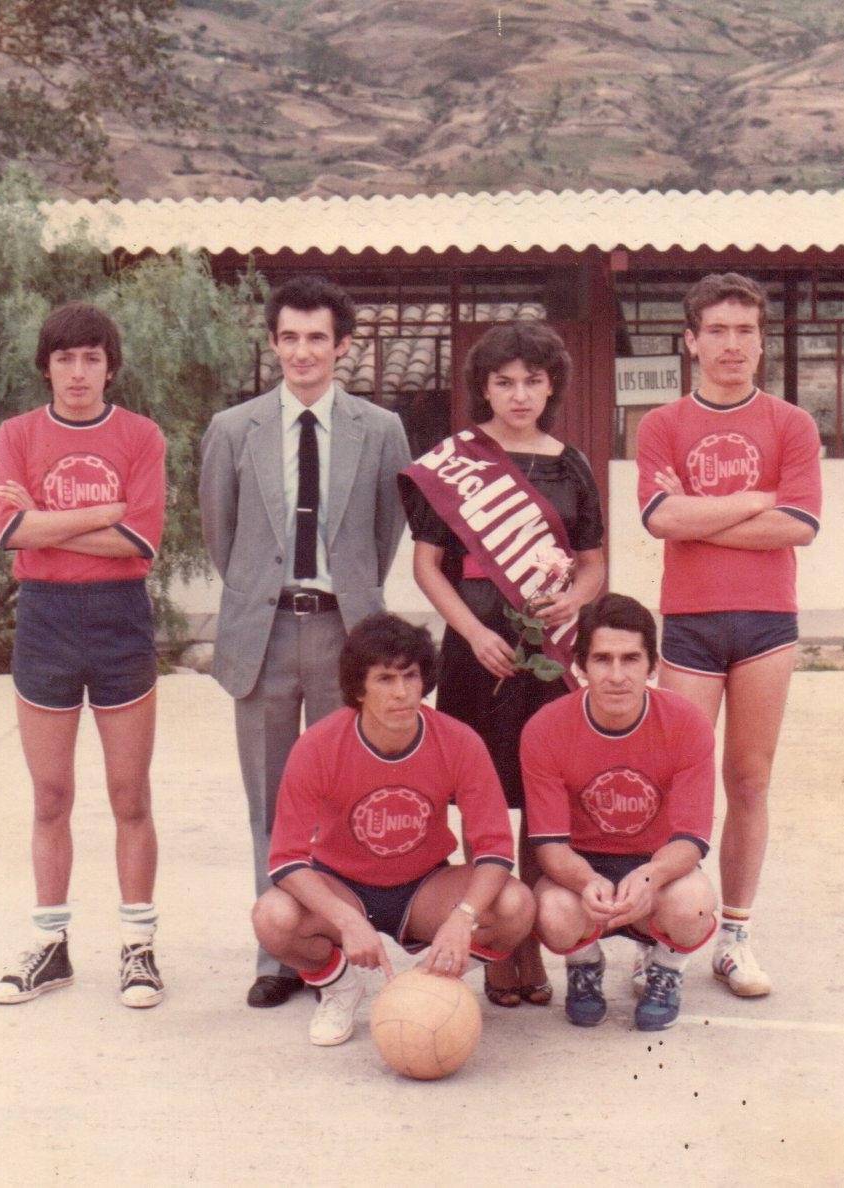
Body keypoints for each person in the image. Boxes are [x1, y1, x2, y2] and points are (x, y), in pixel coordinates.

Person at [199, 275, 411, 1009]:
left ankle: (336, 951)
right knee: (269, 801)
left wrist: (343, 597)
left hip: (341, 636)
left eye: (317, 337)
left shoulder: (379, 430)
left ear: (342, 345)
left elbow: (383, 534)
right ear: (273, 342)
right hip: (261, 633)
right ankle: (280, 954)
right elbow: (222, 537)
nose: (302, 352)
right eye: (288, 337)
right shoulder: (235, 429)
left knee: (339, 801)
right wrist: (267, 592)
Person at [399, 320, 605, 1008]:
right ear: (482, 389)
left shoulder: (572, 465)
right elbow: (427, 567)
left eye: (533, 381)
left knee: (540, 801)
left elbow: (593, 564)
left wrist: (574, 599)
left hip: (550, 653)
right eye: (504, 382)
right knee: (484, 796)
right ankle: (495, 941)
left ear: (552, 387)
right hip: (476, 653)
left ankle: (529, 944)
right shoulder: (454, 461)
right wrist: (471, 631)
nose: (519, 395)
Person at [635, 273, 822, 997]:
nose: (731, 344)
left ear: (762, 342)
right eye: (717, 330)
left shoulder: (790, 424)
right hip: (689, 621)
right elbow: (660, 518)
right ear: (691, 340)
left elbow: (798, 525)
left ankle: (735, 936)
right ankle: (664, 936)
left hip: (767, 623)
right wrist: (752, 498)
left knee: (748, 778)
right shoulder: (662, 424)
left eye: (745, 331)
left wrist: (699, 512)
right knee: (673, 780)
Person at [0, 302, 166, 1008]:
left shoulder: (140, 435)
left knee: (129, 794)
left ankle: (138, 947)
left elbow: (141, 540)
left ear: (110, 367)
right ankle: (51, 945)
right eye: (65, 358)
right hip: (45, 617)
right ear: (47, 367)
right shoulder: (18, 434)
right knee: (50, 794)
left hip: (120, 617)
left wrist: (47, 521)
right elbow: (11, 532)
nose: (79, 371)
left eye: (92, 357)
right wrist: (104, 512)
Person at [253, 614, 535, 1046]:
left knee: (515, 905)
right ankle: (341, 987)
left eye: (410, 676)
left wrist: (462, 918)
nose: (401, 692)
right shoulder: (319, 745)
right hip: (343, 883)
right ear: (359, 688)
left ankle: (427, 983)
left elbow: (495, 847)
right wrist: (345, 919)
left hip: (424, 885)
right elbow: (286, 858)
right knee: (272, 917)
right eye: (385, 679)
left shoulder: (458, 740)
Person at [523, 594, 717, 1031]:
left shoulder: (686, 723)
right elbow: (550, 845)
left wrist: (651, 876)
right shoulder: (546, 728)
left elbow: (691, 838)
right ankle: (584, 965)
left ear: (652, 666)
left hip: (655, 864)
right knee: (551, 909)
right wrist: (585, 881)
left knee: (694, 904)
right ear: (580, 665)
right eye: (602, 659)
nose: (616, 676)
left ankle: (665, 969)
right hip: (584, 868)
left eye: (630, 659)